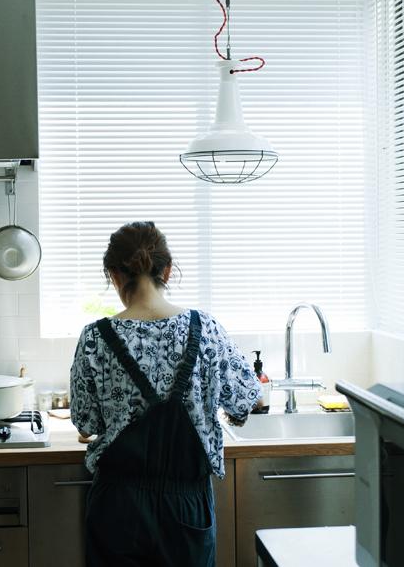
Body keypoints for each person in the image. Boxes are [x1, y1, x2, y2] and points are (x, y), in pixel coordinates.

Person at [69, 221, 262, 567]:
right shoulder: (206, 330)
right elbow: (247, 399)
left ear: (113, 275)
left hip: (118, 506)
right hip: (185, 508)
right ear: (168, 271)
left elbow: (85, 421)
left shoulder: (95, 338)